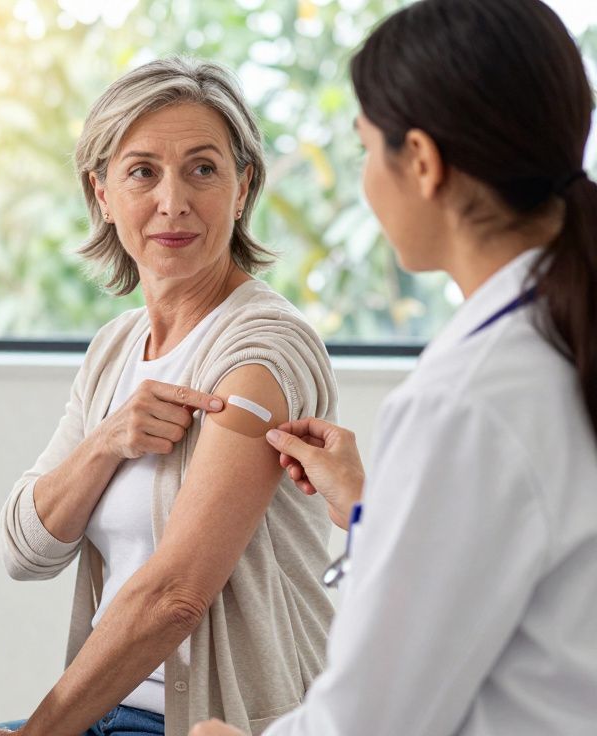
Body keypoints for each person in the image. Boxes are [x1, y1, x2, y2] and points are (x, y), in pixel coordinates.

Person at [193, 0, 597, 734]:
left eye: (364, 151)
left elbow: (369, 724)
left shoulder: (469, 400)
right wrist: (373, 515)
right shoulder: (554, 342)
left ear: (420, 161)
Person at [0, 58, 339, 736]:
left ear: (244, 186)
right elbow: (24, 550)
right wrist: (108, 438)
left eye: (202, 169)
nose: (173, 201)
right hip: (110, 712)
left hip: (219, 721)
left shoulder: (262, 352)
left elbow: (176, 599)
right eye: (141, 172)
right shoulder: (116, 349)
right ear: (101, 192)